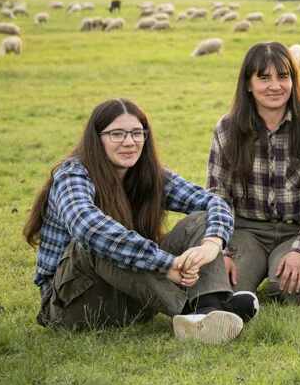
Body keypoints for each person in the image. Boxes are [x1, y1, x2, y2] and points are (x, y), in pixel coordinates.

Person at [24, 98, 257, 343]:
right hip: (72, 306)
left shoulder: (148, 174)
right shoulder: (73, 174)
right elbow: (89, 227)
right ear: (96, 138)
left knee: (200, 220)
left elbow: (214, 203)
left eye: (137, 133)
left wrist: (212, 244)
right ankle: (196, 313)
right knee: (98, 240)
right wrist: (166, 264)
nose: (129, 142)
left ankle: (211, 306)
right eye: (117, 134)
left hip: (132, 296)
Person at [207, 42, 300, 305]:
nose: (275, 86)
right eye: (264, 78)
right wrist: (223, 251)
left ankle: (282, 273)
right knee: (226, 288)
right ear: (248, 84)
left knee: (287, 289)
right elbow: (218, 195)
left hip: (294, 230)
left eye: (283, 77)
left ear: (294, 81)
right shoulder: (227, 129)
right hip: (247, 230)